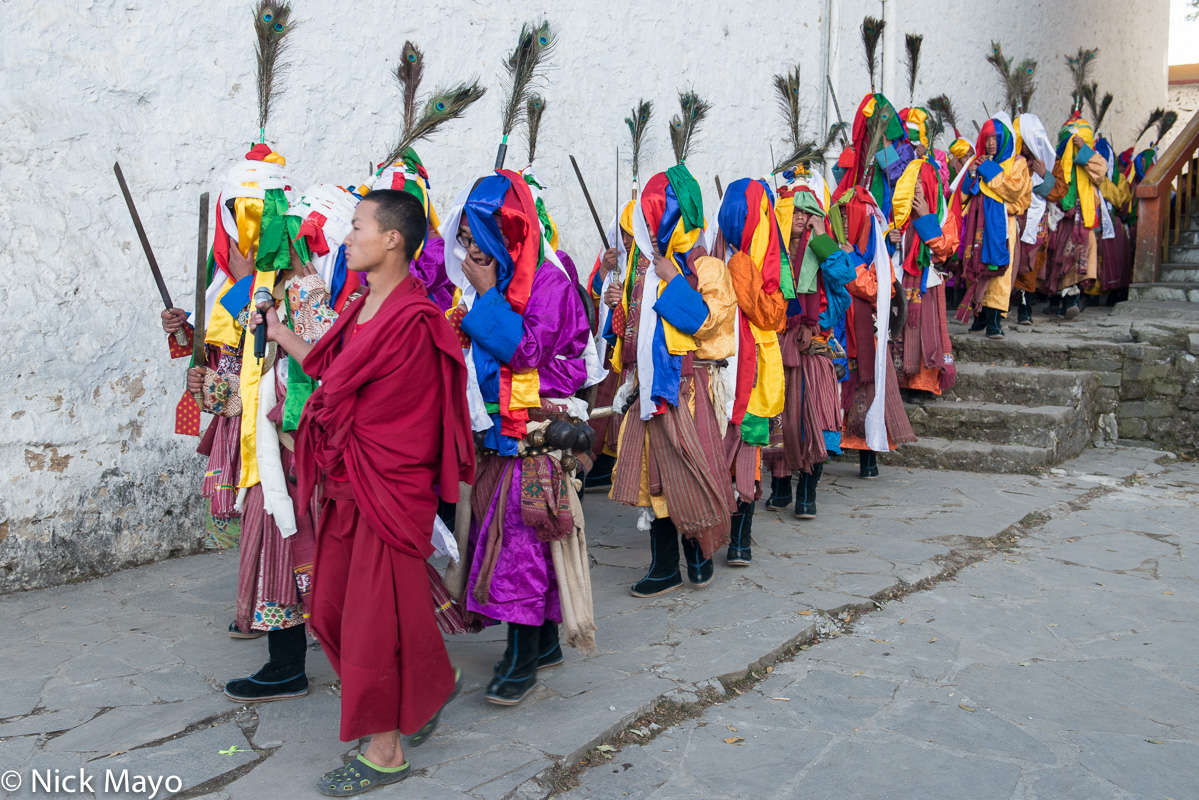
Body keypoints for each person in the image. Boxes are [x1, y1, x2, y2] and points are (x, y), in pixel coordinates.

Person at [262, 189, 474, 795]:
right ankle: (430, 685)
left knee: (372, 624)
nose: (346, 237)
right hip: (346, 486)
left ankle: (385, 750)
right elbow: (336, 373)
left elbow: (401, 419)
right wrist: (279, 333)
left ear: (392, 240)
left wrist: (322, 416)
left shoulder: (416, 320)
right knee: (329, 607)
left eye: (356, 227)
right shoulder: (358, 305)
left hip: (385, 489)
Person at [440, 169, 596, 707]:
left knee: (523, 546)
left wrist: (485, 297)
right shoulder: (490, 286)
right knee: (507, 541)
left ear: (506, 239)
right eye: (462, 245)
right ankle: (540, 641)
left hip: (532, 440)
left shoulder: (548, 285)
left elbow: (525, 353)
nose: (467, 257)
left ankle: (522, 658)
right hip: (492, 441)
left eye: (476, 245)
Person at [608, 166, 738, 595]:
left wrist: (673, 280)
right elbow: (633, 333)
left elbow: (706, 323)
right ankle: (664, 565)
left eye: (658, 217)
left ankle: (698, 554)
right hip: (650, 389)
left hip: (687, 391)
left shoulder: (710, 269)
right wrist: (618, 304)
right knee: (655, 478)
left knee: (690, 471)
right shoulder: (643, 268)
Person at [761, 183, 849, 519]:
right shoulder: (772, 254)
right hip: (779, 344)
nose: (800, 217)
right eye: (794, 210)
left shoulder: (823, 252)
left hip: (813, 347)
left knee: (814, 418)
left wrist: (823, 239)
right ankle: (781, 486)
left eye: (807, 211)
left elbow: (844, 284)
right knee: (779, 419)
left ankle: (808, 489)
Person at [711, 178, 788, 563]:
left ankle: (737, 538)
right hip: (733, 370)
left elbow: (773, 314)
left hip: (743, 373)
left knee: (742, 453)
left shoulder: (729, 259)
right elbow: (771, 313)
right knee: (734, 451)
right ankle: (732, 537)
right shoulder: (738, 261)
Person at [954, 116, 1033, 338]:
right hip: (978, 223)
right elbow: (964, 195)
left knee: (999, 274)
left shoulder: (1017, 163)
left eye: (995, 138)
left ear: (1005, 139)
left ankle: (995, 322)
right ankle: (980, 316)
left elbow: (1013, 191)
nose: (990, 143)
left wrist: (987, 171)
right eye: (987, 138)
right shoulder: (979, 161)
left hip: (1003, 224)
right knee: (975, 266)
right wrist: (972, 174)